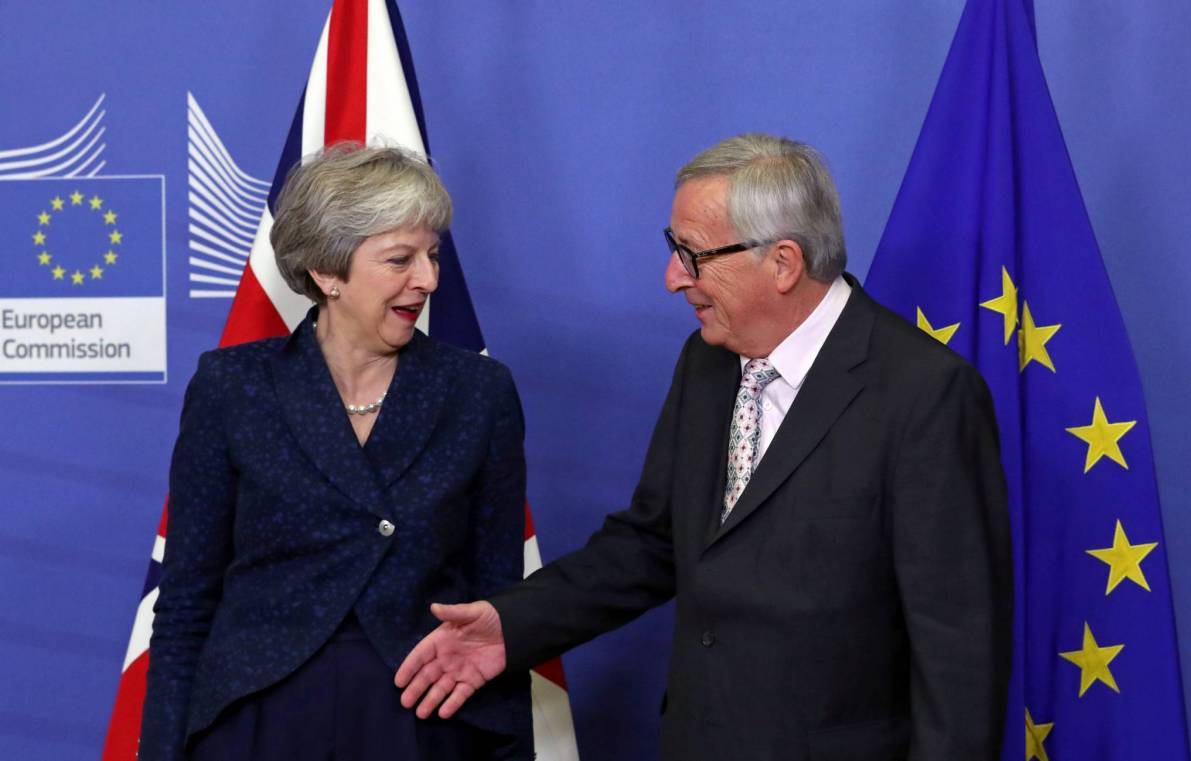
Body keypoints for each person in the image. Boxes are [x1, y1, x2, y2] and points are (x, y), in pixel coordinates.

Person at [394, 134, 1012, 760]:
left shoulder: (924, 394)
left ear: (783, 263)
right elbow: (653, 543)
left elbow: (958, 653)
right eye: (673, 249)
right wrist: (515, 624)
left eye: (691, 254)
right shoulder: (708, 361)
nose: (671, 278)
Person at [139, 144, 532, 761]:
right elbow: (187, 600)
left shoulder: (479, 391)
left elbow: (497, 600)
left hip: (422, 717)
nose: (428, 279)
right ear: (328, 272)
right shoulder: (233, 387)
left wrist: (510, 749)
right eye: (400, 259)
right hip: (261, 717)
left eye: (432, 255)